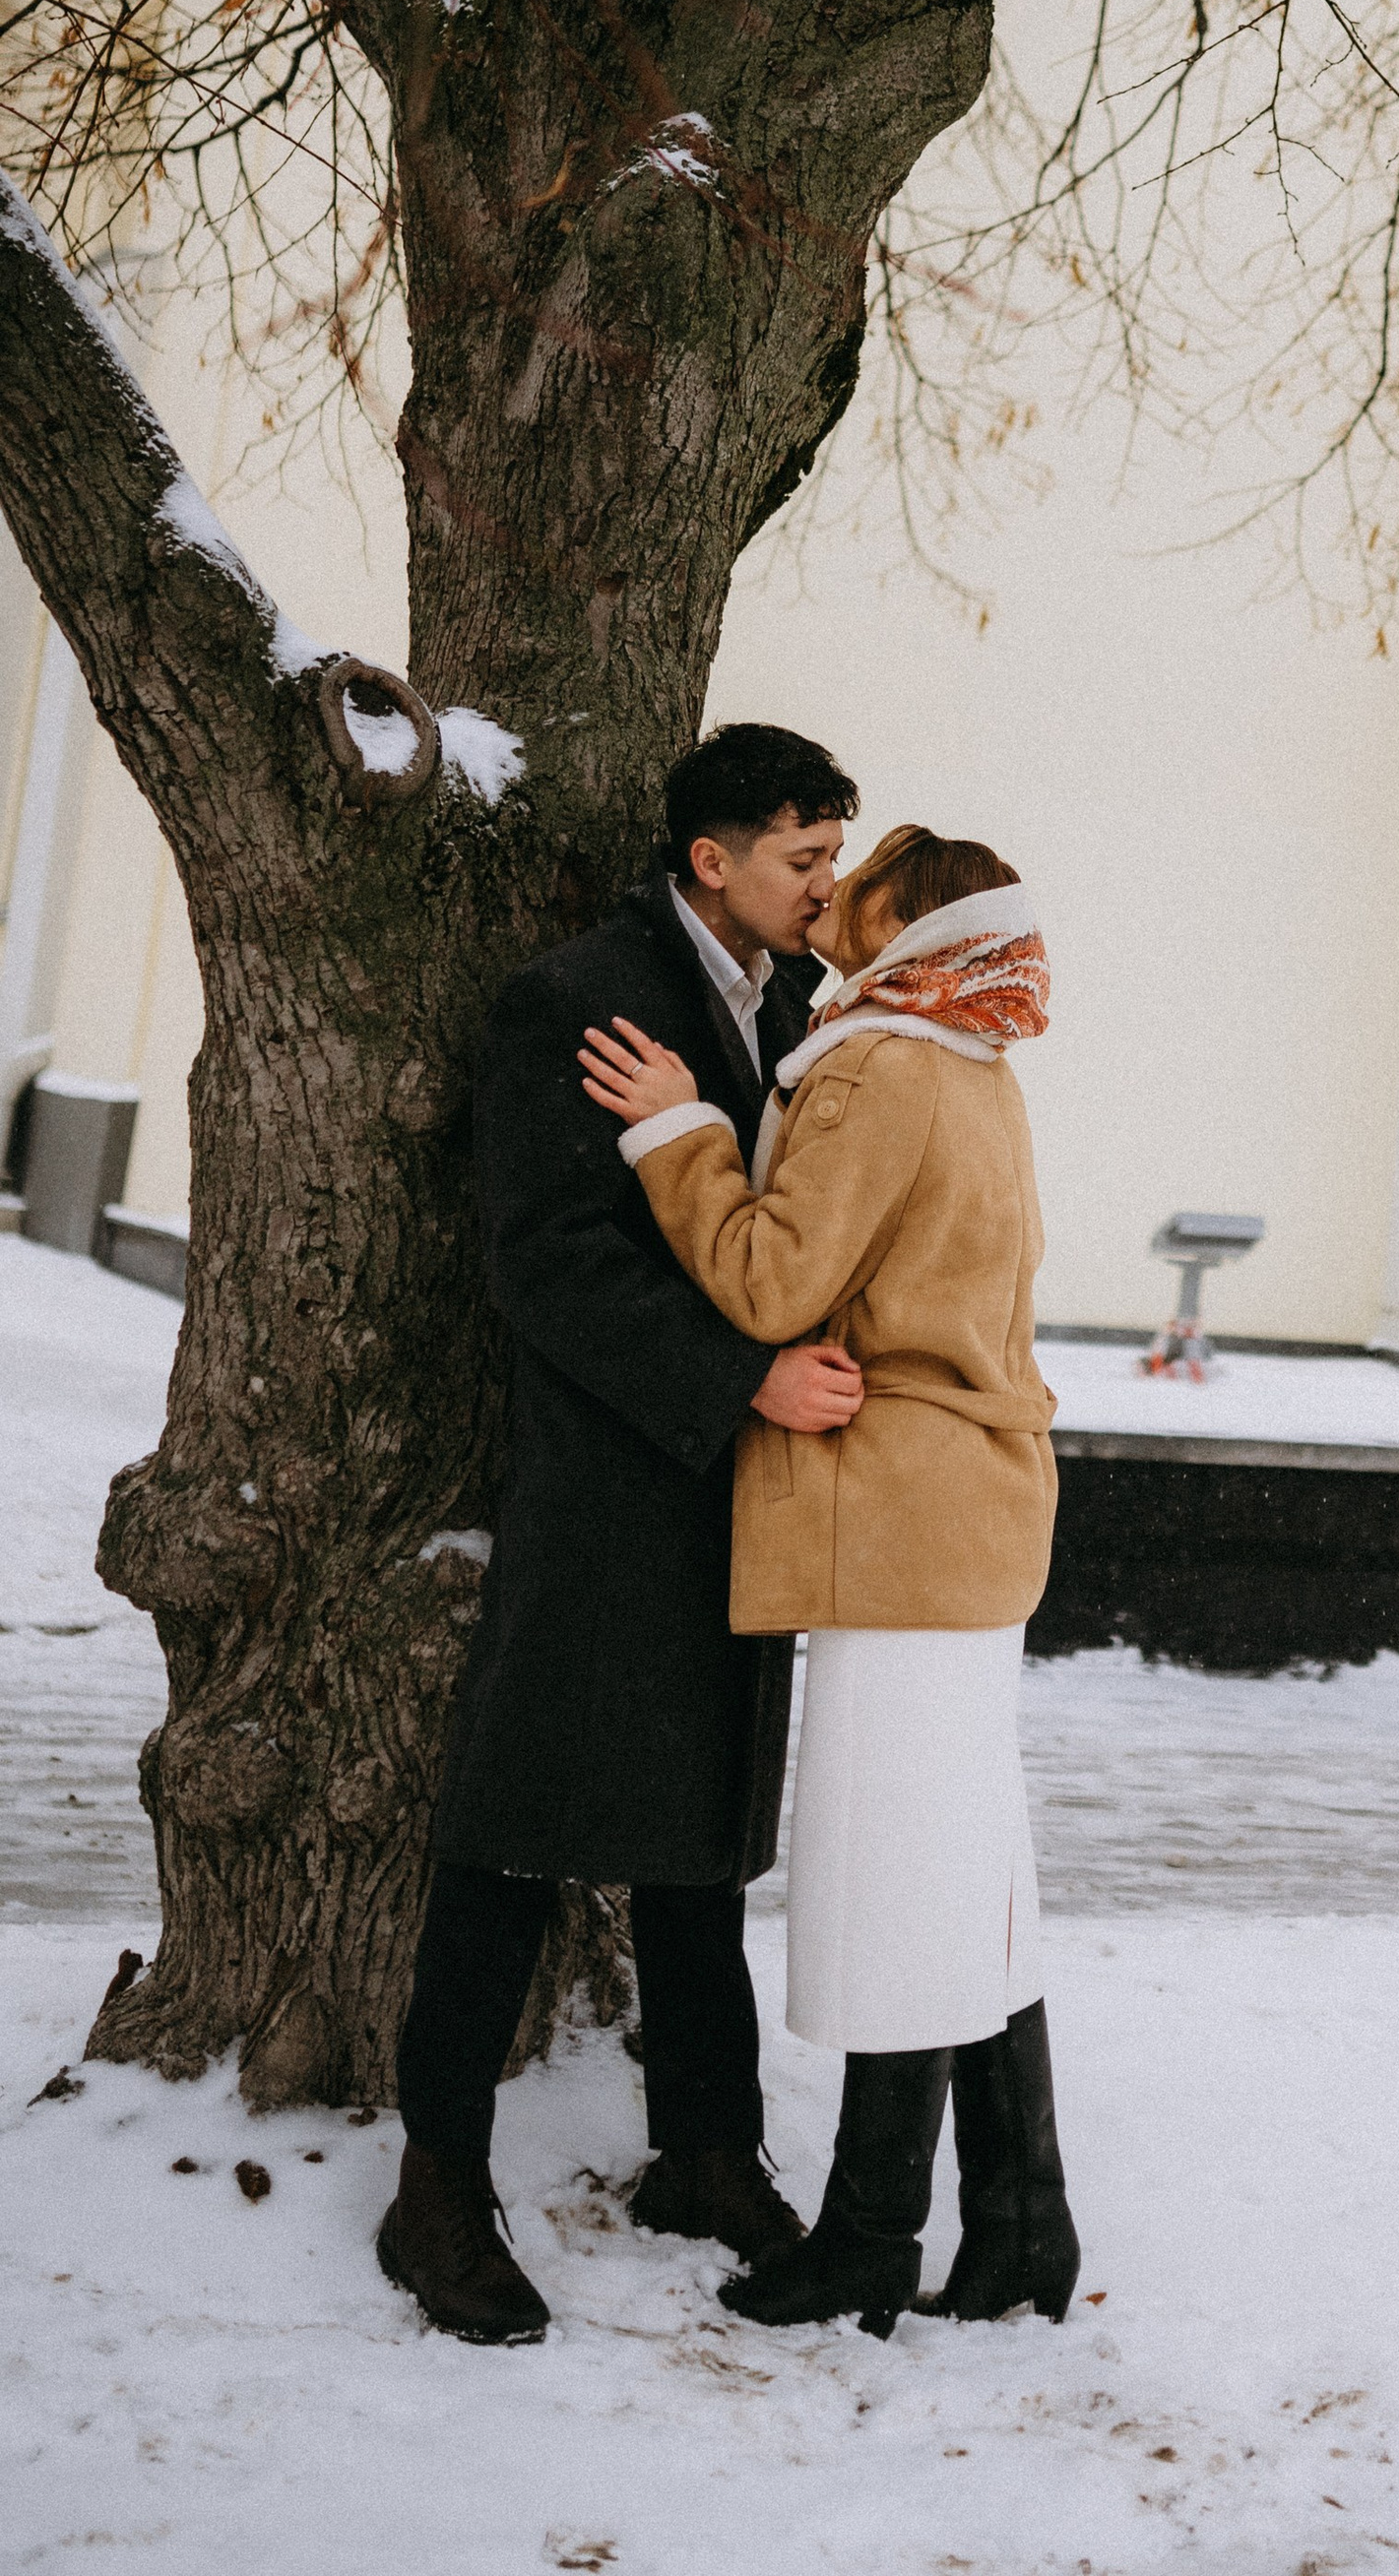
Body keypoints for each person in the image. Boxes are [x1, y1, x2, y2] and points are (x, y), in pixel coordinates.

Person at [377, 723, 861, 2349]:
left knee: (700, 1849)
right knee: (513, 1835)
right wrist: (743, 1382)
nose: (830, 885)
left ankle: (706, 2155)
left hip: (746, 1494)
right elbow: (550, 1261)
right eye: (805, 856)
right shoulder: (577, 997)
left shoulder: (801, 1010)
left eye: (837, 852)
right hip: (606, 1490)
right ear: (712, 859)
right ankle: (434, 2184)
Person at [578, 820, 1077, 2341]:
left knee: (892, 1883)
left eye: (853, 887)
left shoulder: (876, 1064)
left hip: (894, 1523)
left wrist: (678, 1132)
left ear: (905, 926)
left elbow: (772, 1281)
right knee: (972, 1877)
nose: (826, 901)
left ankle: (873, 2236)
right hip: (976, 1516)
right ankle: (1021, 2222)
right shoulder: (981, 1066)